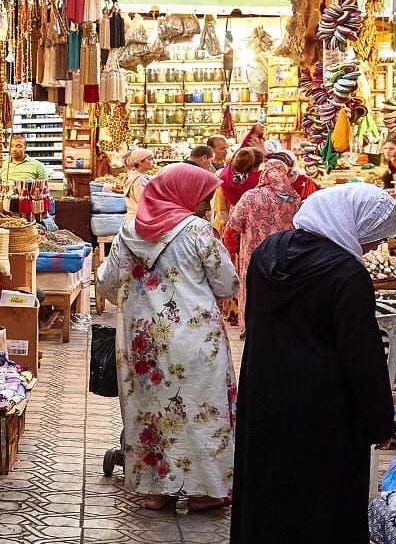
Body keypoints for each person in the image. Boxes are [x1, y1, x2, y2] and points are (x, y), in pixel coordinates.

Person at [232, 183, 396, 544]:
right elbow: (360, 352)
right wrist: (379, 419)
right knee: (323, 489)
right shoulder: (346, 273)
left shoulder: (268, 252)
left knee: (273, 477)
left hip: (268, 386)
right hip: (325, 401)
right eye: (373, 234)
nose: (374, 244)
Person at [94, 163, 239, 511]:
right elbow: (227, 284)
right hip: (197, 341)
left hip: (143, 344)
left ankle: (157, 491)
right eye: (204, 197)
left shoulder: (129, 232)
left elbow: (106, 282)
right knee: (201, 410)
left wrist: (139, 300)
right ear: (184, 195)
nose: (206, 204)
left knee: (151, 413)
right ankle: (207, 491)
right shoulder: (200, 232)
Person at [221, 153, 305, 331]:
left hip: (254, 253)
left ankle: (252, 327)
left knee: (253, 289)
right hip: (286, 254)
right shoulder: (294, 198)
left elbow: (234, 225)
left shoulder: (250, 196)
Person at [119, 149, 156, 216]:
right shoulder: (139, 180)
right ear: (140, 162)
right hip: (139, 219)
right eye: (150, 159)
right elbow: (143, 203)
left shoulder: (131, 175)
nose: (154, 161)